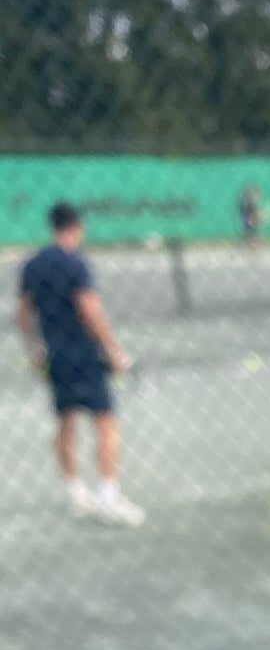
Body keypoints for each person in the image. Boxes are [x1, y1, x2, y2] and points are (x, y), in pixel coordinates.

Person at [16, 201, 142, 526]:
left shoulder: (32, 264)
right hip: (84, 357)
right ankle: (108, 500)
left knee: (65, 424)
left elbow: (22, 314)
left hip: (55, 358)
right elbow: (90, 310)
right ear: (77, 227)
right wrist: (114, 351)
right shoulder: (76, 264)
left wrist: (35, 351)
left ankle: (76, 494)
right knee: (107, 425)